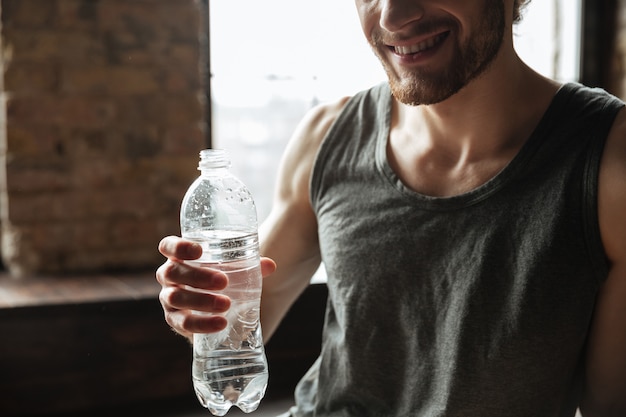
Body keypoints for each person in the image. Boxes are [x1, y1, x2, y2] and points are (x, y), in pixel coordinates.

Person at [156, 0, 626, 415]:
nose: (393, 16)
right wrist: (201, 310)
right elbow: (247, 315)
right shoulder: (325, 136)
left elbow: (609, 404)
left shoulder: (609, 161)